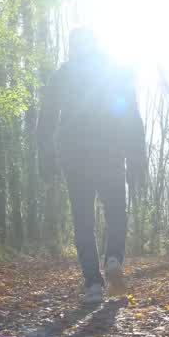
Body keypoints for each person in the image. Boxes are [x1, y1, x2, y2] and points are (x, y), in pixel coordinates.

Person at [38, 28, 147, 304]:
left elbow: (46, 118)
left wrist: (46, 160)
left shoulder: (63, 74)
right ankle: (113, 259)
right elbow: (131, 115)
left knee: (83, 220)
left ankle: (93, 285)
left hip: (76, 158)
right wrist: (136, 159)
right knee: (116, 212)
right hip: (111, 153)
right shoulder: (114, 71)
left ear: (73, 47)